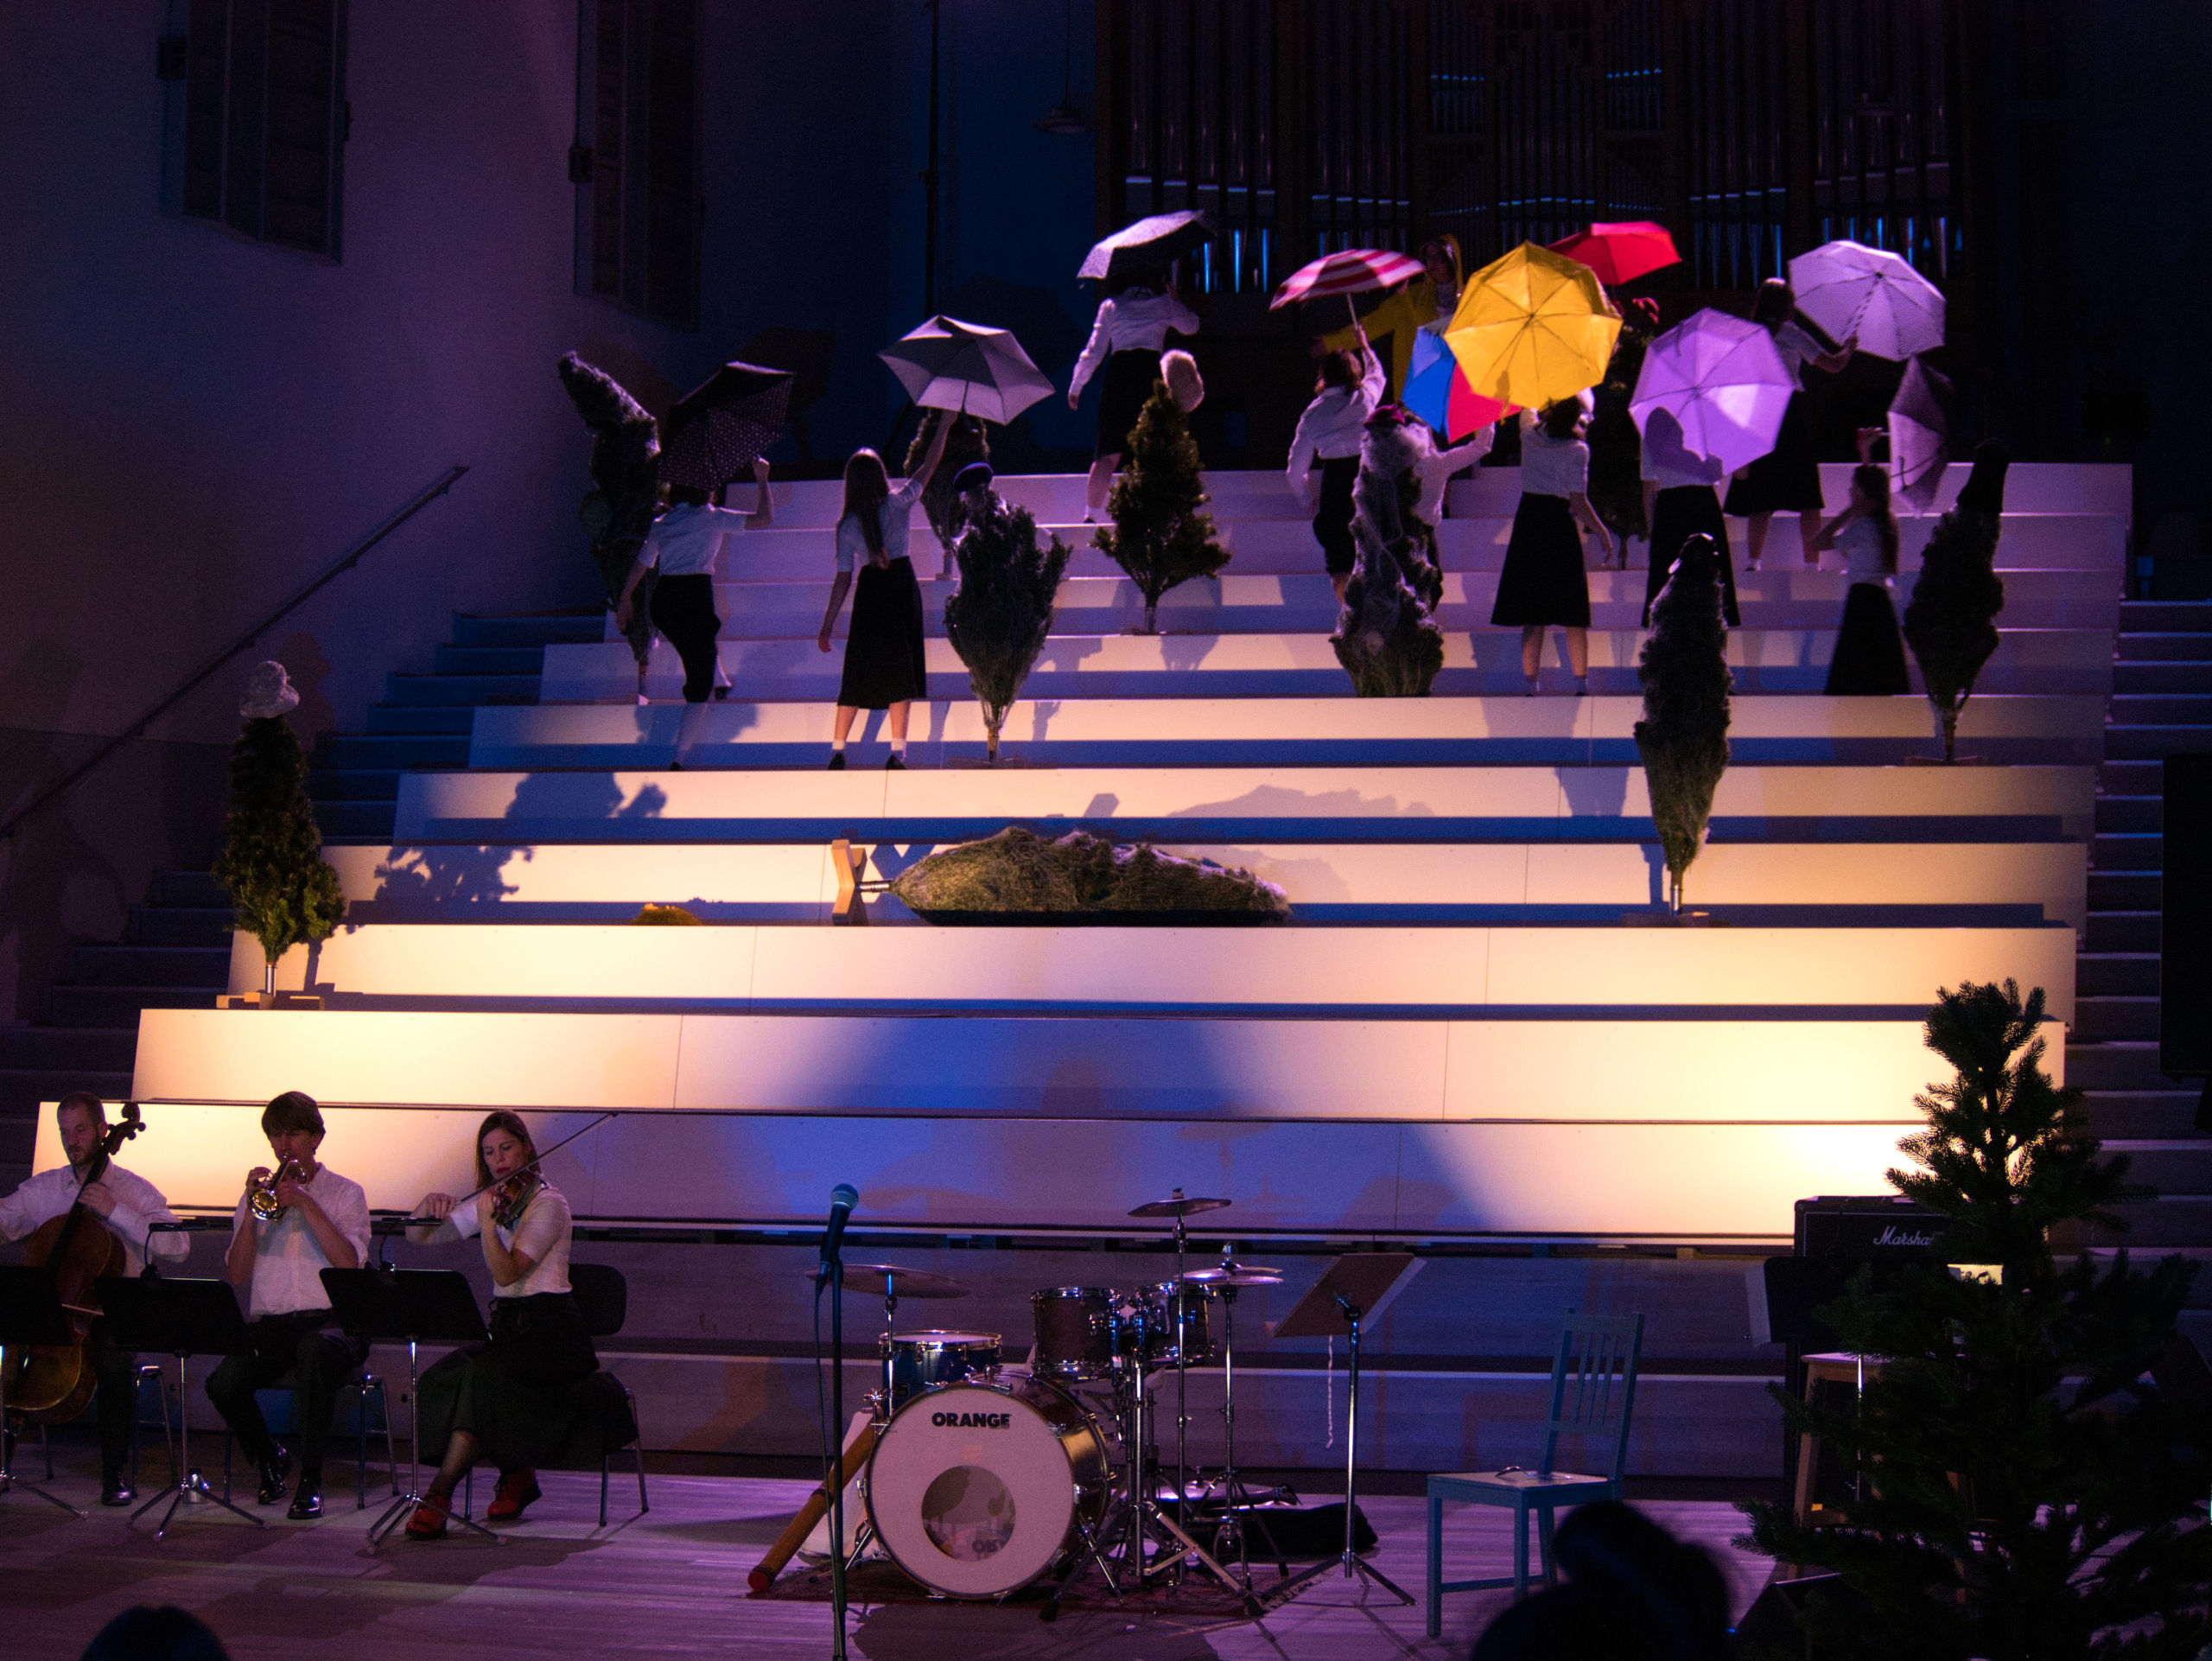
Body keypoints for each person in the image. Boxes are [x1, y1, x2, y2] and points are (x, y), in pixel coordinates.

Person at [402, 1112, 607, 1538]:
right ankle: (517, 1476)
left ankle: (439, 1495)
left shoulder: (550, 1203)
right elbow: (418, 1239)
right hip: (510, 1330)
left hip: (551, 1333)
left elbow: (509, 1273)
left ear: (527, 1148)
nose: (498, 1159)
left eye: (506, 1148)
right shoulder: (495, 1200)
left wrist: (489, 1227)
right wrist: (428, 1206)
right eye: (489, 1152)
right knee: (446, 1379)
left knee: (482, 1380)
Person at [0, 1091, 188, 1506]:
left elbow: (177, 1244)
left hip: (118, 1313)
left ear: (104, 1131)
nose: (72, 1140)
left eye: (81, 1130)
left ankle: (113, 1473)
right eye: (64, 1132)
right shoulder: (46, 1187)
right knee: (11, 1341)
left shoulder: (133, 1190)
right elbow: (6, 1219)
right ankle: (4, 1460)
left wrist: (116, 1210)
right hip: (60, 1309)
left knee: (113, 1360)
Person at [205, 1091, 372, 1520]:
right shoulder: (257, 1198)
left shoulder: (345, 1194)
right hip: (274, 1325)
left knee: (315, 1353)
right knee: (223, 1382)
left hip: (334, 1323)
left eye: (292, 1134)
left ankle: (311, 1477)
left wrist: (306, 1203)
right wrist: (249, 1214)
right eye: (275, 1136)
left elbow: (349, 1264)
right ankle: (270, 1457)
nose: (283, 1146)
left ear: (316, 1137)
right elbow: (238, 1274)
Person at [613, 455, 774, 770]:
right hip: (694, 598)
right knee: (698, 678)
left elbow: (643, 564)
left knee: (701, 640)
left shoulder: (663, 523)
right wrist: (762, 477)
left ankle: (720, 680)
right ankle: (679, 759)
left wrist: (624, 599)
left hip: (665, 602)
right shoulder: (712, 517)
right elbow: (764, 518)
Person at [817, 415, 953, 769]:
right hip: (900, 586)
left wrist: (827, 624)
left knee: (857, 669)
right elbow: (930, 464)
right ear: (879, 475)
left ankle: (836, 749)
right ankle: (897, 751)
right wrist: (945, 426)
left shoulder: (846, 525)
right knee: (900, 669)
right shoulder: (898, 502)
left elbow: (843, 578)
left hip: (870, 593)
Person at [1723, 277, 1854, 569]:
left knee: (1761, 492)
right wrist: (1848, 347)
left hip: (1759, 413)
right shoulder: (1790, 332)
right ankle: (1811, 565)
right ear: (1787, 306)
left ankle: (1754, 561)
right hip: (1788, 412)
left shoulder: (1748, 334)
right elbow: (1833, 364)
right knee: (1807, 492)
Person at [1494, 398, 1613, 694]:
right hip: (1558, 524)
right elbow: (1578, 500)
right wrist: (1601, 531)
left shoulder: (1528, 434)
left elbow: (1526, 406)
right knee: (1572, 609)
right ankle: (1581, 684)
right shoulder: (1577, 450)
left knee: (1533, 613)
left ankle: (1531, 685)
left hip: (1530, 522)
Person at [1067, 269, 1199, 520]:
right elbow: (1191, 326)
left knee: (1108, 452)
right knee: (1153, 447)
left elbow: (1093, 351)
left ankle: (1090, 516)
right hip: (1150, 374)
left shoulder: (1112, 305)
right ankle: (1157, 517)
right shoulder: (1164, 303)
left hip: (1120, 375)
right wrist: (1175, 299)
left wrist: (1076, 385)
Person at [1288, 326, 1387, 603]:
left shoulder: (1313, 414)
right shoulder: (1364, 397)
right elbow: (1378, 374)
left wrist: (1306, 497)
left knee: (1340, 562)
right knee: (1372, 552)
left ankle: (1350, 620)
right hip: (1366, 479)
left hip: (1334, 486)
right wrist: (1364, 346)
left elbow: (1295, 469)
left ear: (1323, 377)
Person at [1322, 235, 1464, 400]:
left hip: (1455, 389)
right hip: (1419, 391)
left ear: (1451, 260)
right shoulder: (1410, 297)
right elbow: (1375, 323)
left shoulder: (1468, 300)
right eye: (1428, 257)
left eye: (1438, 256)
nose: (1432, 262)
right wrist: (1330, 343)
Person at [1815, 451, 1910, 696]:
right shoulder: (1884, 522)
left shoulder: (1865, 526)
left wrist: (1847, 512)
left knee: (1856, 670)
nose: (1850, 493)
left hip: (1863, 600)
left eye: (1854, 489)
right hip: (1878, 601)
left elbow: (1819, 542)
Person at [1640, 406, 1741, 628]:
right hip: (1703, 505)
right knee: (1711, 571)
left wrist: (1651, 528)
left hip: (1670, 508)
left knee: (1666, 573)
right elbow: (1725, 472)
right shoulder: (1700, 435)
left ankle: (1666, 637)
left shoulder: (1652, 440)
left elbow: (1648, 488)